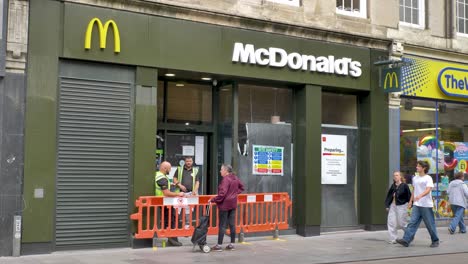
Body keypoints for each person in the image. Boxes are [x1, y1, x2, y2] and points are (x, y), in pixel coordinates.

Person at [396, 160, 440, 248]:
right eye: (417, 166)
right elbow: (414, 190)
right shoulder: (415, 178)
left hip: (426, 205)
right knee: (412, 222)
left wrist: (420, 195)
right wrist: (410, 201)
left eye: (419, 166)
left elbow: (428, 189)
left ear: (424, 168)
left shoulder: (428, 178)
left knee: (429, 224)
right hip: (417, 204)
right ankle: (406, 240)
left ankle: (435, 240)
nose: (417, 167)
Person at [209, 164, 245, 251]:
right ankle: (232, 244)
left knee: (222, 225)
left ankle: (219, 245)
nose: (220, 171)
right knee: (232, 224)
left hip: (224, 205)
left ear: (226, 171)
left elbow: (222, 194)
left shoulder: (226, 179)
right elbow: (242, 187)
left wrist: (212, 200)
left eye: (221, 169)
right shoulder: (235, 178)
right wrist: (234, 193)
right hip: (233, 204)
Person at [155, 161, 184, 246]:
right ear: (164, 168)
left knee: (170, 219)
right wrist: (178, 194)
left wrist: (170, 185)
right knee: (171, 220)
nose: (170, 171)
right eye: (169, 169)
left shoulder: (158, 175)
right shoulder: (162, 178)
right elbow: (166, 193)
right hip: (164, 202)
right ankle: (172, 240)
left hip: (162, 202)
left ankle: (171, 239)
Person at [384, 171, 412, 244]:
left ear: (400, 177)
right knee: (391, 222)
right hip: (393, 206)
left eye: (397, 175)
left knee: (402, 223)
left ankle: (409, 235)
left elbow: (409, 196)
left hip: (402, 206)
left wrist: (410, 204)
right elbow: (389, 196)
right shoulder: (393, 186)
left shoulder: (404, 185)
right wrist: (387, 205)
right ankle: (393, 239)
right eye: (394, 175)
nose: (395, 176)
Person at [173, 156, 200, 229]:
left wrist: (194, 191)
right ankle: (175, 226)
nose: (188, 163)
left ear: (192, 162)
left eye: (190, 161)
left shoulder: (195, 170)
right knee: (177, 210)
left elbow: (197, 182)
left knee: (188, 211)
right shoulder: (179, 169)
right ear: (185, 162)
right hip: (180, 193)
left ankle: (187, 228)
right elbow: (174, 179)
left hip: (190, 194)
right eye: (187, 161)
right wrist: (180, 185)